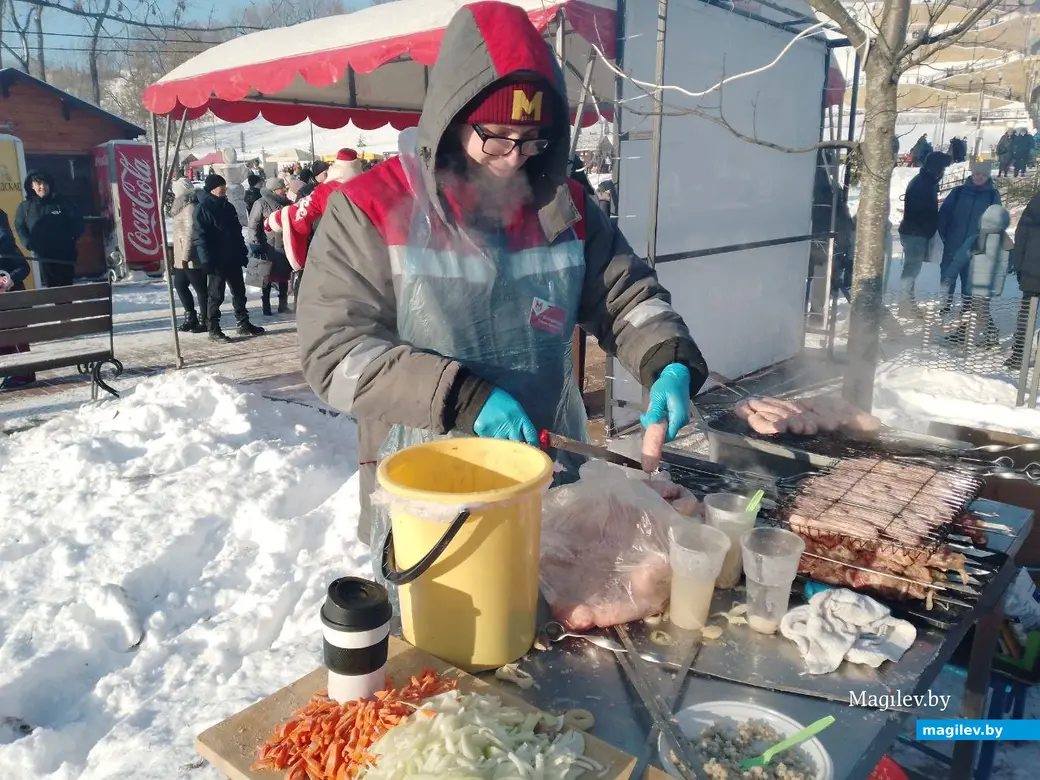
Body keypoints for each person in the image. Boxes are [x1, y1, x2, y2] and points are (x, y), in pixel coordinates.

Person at [296, 1, 708, 552]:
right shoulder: (370, 209)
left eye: (532, 139)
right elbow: (336, 353)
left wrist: (668, 360)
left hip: (550, 469)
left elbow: (624, 295)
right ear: (451, 119)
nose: (514, 159)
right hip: (429, 478)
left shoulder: (565, 210)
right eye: (495, 137)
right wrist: (463, 396)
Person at [191, 173, 265, 342]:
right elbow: (200, 237)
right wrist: (206, 260)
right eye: (220, 187)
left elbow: (236, 232)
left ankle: (243, 322)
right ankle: (213, 328)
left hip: (232, 257)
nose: (223, 190)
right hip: (216, 259)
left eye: (224, 187)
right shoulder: (203, 209)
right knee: (216, 295)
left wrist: (242, 252)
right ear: (212, 189)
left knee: (239, 292)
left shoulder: (228, 206)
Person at [264, 148, 364, 272]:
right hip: (369, 253)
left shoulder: (326, 190)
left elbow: (300, 211)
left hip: (336, 252)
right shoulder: (370, 187)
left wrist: (273, 220)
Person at [944, 204, 1012, 348]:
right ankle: (962, 334)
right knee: (972, 308)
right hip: (994, 284)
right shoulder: (1006, 241)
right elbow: (1013, 262)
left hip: (976, 282)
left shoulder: (977, 239)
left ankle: (991, 337)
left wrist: (949, 275)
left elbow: (959, 258)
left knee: (980, 312)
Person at [937, 161, 1001, 308]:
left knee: (970, 280)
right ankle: (944, 306)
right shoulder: (958, 192)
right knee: (947, 277)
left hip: (975, 247)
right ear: (972, 174)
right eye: (977, 174)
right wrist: (944, 236)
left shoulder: (992, 195)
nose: (979, 177)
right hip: (953, 244)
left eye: (983, 175)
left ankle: (967, 309)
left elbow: (996, 221)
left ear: (988, 177)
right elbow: (944, 215)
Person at [897, 151, 950, 317]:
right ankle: (905, 306)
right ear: (936, 168)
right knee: (911, 270)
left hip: (916, 231)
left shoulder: (926, 182)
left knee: (912, 270)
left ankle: (907, 304)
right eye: (942, 168)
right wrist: (931, 225)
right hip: (915, 232)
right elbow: (920, 210)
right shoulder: (923, 184)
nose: (943, 173)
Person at [14, 170, 83, 288]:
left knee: (67, 289)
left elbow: (78, 221)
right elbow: (19, 226)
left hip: (65, 254)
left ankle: (66, 306)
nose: (42, 187)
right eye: (38, 184)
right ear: (32, 186)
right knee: (52, 288)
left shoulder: (63, 202)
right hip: (43, 256)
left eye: (45, 183)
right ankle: (57, 306)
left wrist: (72, 238)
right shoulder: (25, 207)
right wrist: (28, 243)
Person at [247, 179, 293, 316]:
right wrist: (255, 243)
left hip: (284, 244)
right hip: (267, 245)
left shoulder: (288, 203)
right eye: (281, 188)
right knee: (266, 276)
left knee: (284, 276)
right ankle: (266, 306)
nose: (284, 190)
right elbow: (253, 224)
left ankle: (283, 305)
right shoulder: (261, 203)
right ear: (274, 190)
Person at [0, 208, 34, 390]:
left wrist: (8, 280)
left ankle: (23, 372)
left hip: (14, 304)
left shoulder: (6, 246)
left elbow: (23, 268)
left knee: (15, 333)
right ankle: (13, 371)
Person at [171, 178, 208, 333]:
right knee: (179, 284)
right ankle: (190, 316)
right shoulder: (181, 206)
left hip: (190, 257)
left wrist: (186, 256)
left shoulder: (189, 207)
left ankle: (205, 319)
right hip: (182, 257)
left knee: (200, 289)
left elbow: (190, 233)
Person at [1008, 192, 1040, 369]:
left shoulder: (1036, 201)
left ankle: (1019, 353)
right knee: (1027, 313)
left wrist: (1020, 263)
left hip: (1032, 268)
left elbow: (1021, 234)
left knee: (1026, 313)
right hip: (1032, 267)